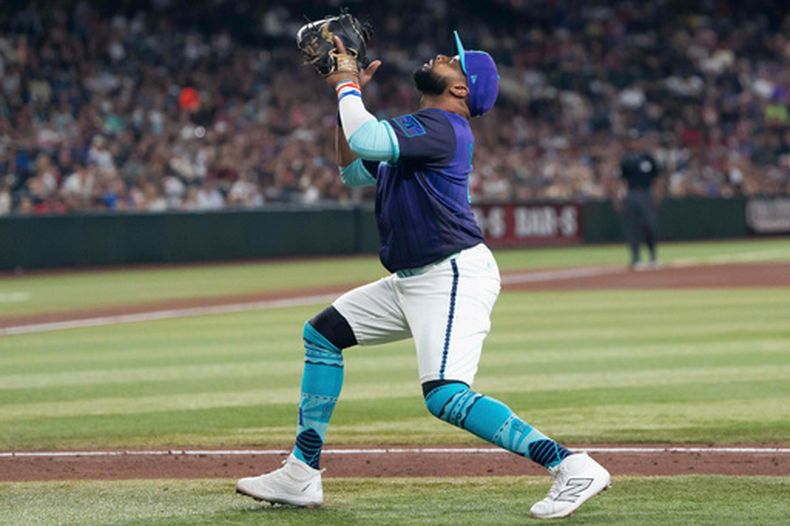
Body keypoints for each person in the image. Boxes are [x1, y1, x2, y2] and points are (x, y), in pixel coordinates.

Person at [236, 32, 610, 519]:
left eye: (453, 61)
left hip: (450, 272)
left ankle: (572, 465)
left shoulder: (442, 127)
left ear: (460, 91)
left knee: (446, 395)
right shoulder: (423, 130)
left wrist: (348, 83)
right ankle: (301, 475)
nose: (441, 56)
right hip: (413, 278)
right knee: (322, 335)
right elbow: (351, 168)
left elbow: (365, 137)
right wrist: (345, 95)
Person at [617, 129, 663, 268]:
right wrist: (619, 198)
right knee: (632, 227)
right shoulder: (626, 159)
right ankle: (635, 257)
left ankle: (653, 256)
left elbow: (658, 178)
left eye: (637, 140)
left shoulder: (648, 158)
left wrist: (657, 195)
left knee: (649, 226)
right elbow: (620, 180)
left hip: (646, 193)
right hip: (631, 193)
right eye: (633, 141)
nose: (635, 143)